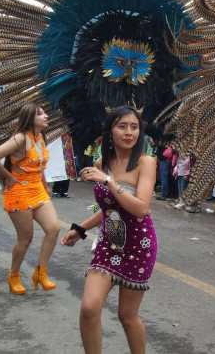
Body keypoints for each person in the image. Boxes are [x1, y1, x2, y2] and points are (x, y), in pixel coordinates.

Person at [60, 106, 158, 354]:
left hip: (139, 246)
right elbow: (108, 209)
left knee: (127, 316)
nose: (129, 132)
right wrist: (80, 229)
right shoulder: (101, 164)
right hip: (109, 243)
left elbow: (141, 208)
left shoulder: (146, 163)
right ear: (110, 131)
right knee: (89, 308)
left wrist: (110, 182)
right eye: (122, 126)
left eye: (134, 127)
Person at [0, 103, 60, 295]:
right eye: (40, 114)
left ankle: (41, 272)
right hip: (19, 192)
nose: (46, 116)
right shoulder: (20, 138)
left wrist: (45, 185)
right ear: (30, 118)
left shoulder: (40, 136)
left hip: (38, 189)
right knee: (25, 239)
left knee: (53, 228)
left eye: (45, 113)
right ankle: (14, 276)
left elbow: (39, 165)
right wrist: (9, 178)